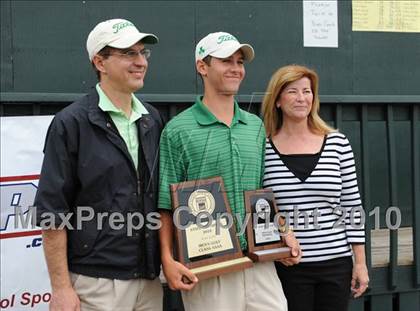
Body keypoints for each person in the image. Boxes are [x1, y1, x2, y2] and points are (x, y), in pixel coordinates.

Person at [158, 32, 301, 311]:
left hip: (259, 262)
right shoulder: (177, 129)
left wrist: (284, 233)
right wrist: (167, 259)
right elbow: (165, 204)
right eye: (226, 61)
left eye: (240, 61)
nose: (236, 68)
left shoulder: (255, 126)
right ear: (202, 67)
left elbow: (262, 193)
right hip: (209, 267)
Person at [34, 18, 163, 310]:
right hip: (97, 283)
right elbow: (52, 212)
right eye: (129, 53)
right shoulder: (71, 123)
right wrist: (61, 287)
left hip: (150, 280)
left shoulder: (152, 119)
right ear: (100, 62)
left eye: (143, 53)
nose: (140, 61)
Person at [262, 64, 369, 311]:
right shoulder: (263, 148)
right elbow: (261, 207)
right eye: (292, 91)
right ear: (277, 100)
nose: (301, 98)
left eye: (307, 91)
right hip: (288, 266)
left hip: (336, 265)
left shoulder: (337, 144)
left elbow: (352, 206)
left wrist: (360, 263)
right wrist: (280, 236)